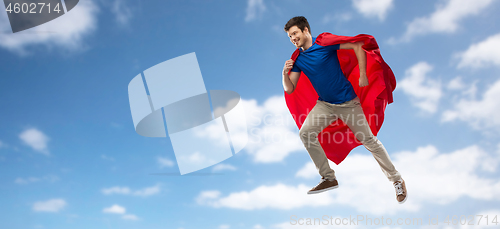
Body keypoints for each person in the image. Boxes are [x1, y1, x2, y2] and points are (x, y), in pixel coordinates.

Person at [282, 16, 407, 203]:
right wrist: (284, 74)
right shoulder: (298, 59)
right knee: (306, 133)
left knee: (369, 141)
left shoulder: (324, 43)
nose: (293, 38)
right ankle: (329, 178)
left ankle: (396, 179)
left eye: (295, 33)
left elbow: (357, 46)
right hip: (325, 105)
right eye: (289, 36)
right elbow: (290, 88)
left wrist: (363, 74)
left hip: (348, 103)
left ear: (305, 30)